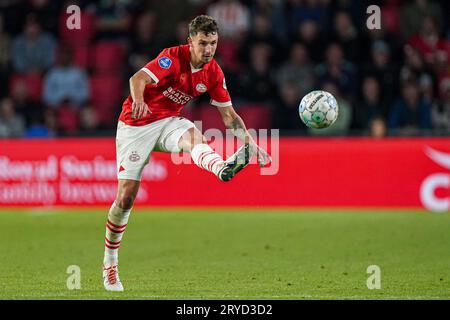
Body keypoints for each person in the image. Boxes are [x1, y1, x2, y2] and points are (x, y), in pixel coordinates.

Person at [101, 15, 272, 292]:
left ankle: (222, 169)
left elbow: (229, 117)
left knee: (194, 136)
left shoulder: (213, 72)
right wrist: (140, 100)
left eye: (213, 43)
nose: (208, 50)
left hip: (169, 121)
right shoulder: (171, 58)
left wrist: (252, 145)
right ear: (190, 41)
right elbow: (137, 78)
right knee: (126, 197)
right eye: (203, 43)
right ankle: (110, 264)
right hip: (136, 124)